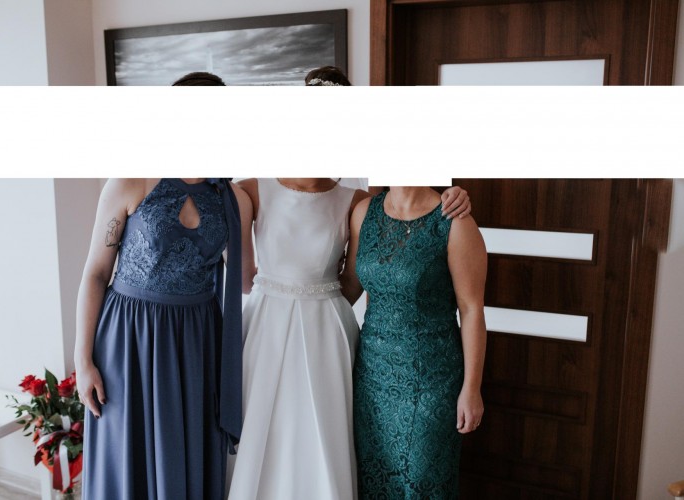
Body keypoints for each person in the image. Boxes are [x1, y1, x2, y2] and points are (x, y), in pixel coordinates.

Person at [227, 178, 471, 500]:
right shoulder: (250, 190)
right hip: (266, 329)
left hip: (326, 333)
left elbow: (354, 280)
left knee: (325, 435)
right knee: (267, 428)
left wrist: (453, 193)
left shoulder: (355, 201)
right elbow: (241, 275)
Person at [75, 177, 254, 500]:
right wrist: (83, 360)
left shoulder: (234, 199)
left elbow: (245, 280)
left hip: (197, 345)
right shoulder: (130, 182)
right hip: (130, 341)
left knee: (184, 452)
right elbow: (96, 273)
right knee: (127, 451)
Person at [341, 186, 487, 499]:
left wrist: (472, 388)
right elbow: (350, 285)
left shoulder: (455, 221)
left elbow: (472, 310)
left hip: (431, 382)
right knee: (372, 480)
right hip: (371, 380)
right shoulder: (364, 212)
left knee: (421, 482)